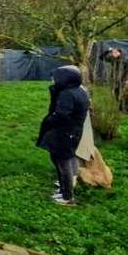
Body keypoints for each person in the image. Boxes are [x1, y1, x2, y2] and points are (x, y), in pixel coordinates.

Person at [36, 65, 89, 206]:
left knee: (62, 162)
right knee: (66, 159)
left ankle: (67, 197)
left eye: (56, 77)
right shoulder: (80, 91)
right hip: (73, 132)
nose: (54, 80)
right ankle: (64, 189)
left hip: (64, 133)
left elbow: (61, 114)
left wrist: (48, 121)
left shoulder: (68, 94)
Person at [101, 47, 128, 113]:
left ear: (119, 52)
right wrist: (107, 51)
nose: (113, 54)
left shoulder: (126, 59)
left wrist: (127, 80)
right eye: (113, 53)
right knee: (116, 94)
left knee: (125, 95)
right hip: (116, 79)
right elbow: (102, 58)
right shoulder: (113, 59)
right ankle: (120, 108)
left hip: (124, 80)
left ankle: (126, 110)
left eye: (115, 52)